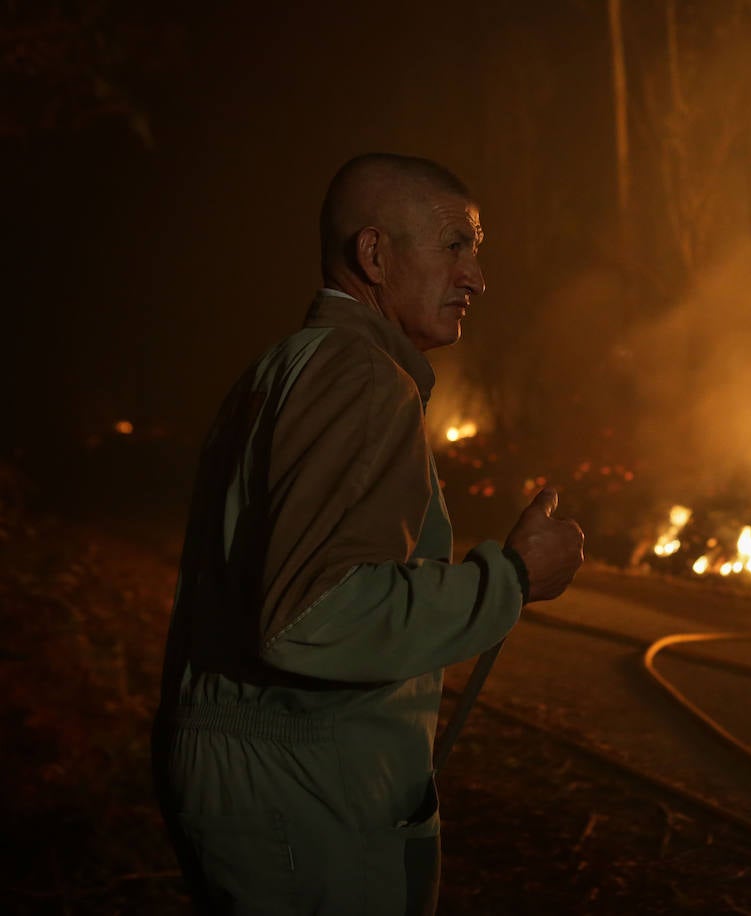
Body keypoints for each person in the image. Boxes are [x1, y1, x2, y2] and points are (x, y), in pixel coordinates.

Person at [152, 152, 584, 915]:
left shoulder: (288, 366)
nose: (477, 277)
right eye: (456, 245)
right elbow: (313, 616)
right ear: (375, 255)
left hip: (271, 771)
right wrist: (511, 578)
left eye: (476, 250)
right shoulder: (359, 377)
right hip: (300, 787)